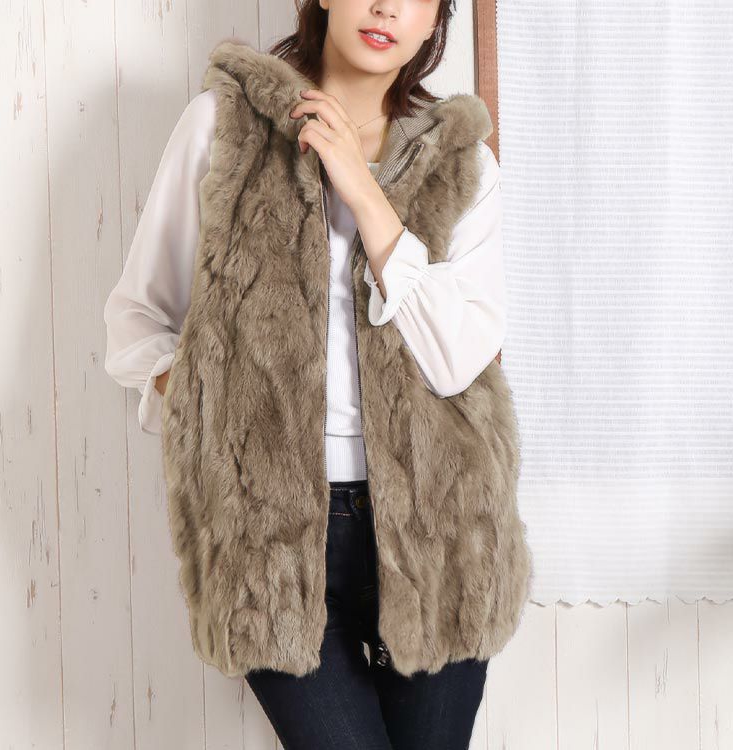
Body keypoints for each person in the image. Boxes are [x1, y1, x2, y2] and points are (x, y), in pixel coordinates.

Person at [104, 1, 532, 747]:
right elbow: (138, 322)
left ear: (436, 19)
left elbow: (459, 358)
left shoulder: (462, 160)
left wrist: (364, 193)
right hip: (266, 532)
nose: (386, 7)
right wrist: (206, 412)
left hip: (443, 530)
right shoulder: (224, 127)